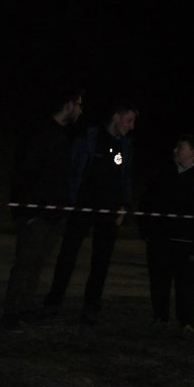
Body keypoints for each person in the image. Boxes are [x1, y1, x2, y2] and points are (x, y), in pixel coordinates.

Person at [41, 102, 139, 324]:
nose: (131, 126)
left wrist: (124, 205)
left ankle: (91, 307)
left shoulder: (125, 146)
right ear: (116, 116)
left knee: (101, 260)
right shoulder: (89, 138)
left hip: (110, 211)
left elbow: (127, 178)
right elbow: (72, 168)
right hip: (82, 206)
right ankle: (53, 302)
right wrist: (69, 199)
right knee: (67, 256)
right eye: (129, 120)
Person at [0, 86, 82, 329]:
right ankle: (10, 314)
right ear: (68, 105)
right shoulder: (40, 134)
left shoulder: (63, 136)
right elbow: (25, 175)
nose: (80, 110)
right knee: (25, 264)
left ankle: (24, 308)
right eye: (78, 104)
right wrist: (27, 214)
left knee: (37, 265)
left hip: (52, 215)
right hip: (35, 215)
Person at [138, 134, 194, 332]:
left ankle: (187, 322)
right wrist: (146, 231)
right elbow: (146, 202)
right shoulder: (165, 174)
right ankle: (159, 317)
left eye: (181, 147)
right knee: (159, 282)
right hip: (160, 240)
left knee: (185, 285)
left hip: (187, 244)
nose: (176, 151)